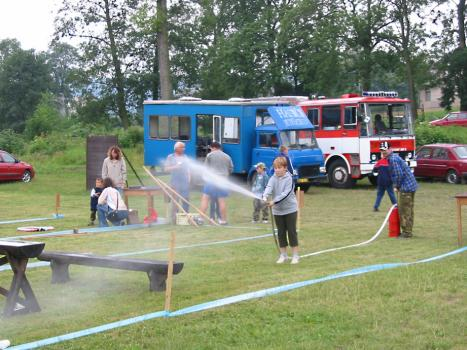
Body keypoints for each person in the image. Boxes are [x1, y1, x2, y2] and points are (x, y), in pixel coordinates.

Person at [263, 157, 299, 264]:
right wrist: (265, 196)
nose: (277, 170)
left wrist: (274, 201)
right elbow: (269, 187)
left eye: (279, 168)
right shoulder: (272, 178)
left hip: (290, 210)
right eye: (275, 168)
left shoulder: (289, 179)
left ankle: (295, 256)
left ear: (285, 168)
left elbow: (286, 194)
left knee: (292, 232)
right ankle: (283, 255)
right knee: (281, 232)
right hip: (277, 211)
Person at [383, 141, 418, 238]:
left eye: (385, 150)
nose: (383, 153)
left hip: (406, 187)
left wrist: (396, 186)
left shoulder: (393, 159)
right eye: (382, 151)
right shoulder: (394, 157)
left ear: (390, 149)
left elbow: (399, 175)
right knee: (409, 209)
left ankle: (406, 233)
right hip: (411, 185)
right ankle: (408, 231)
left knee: (404, 210)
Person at [200, 141, 233, 225]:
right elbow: (231, 169)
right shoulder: (227, 156)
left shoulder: (210, 155)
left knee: (205, 199)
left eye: (210, 148)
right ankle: (223, 220)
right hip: (222, 181)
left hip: (211, 180)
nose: (210, 150)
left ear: (213, 147)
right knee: (221, 200)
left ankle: (201, 219)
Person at [165, 142, 191, 223]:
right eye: (182, 147)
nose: (184, 149)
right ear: (176, 148)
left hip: (185, 181)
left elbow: (188, 169)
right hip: (175, 181)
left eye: (184, 147)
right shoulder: (170, 157)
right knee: (175, 200)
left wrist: (189, 177)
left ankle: (185, 218)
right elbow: (166, 169)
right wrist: (175, 167)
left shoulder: (185, 157)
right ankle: (174, 219)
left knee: (186, 200)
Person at [372, 145, 397, 212]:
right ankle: (396, 206)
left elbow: (374, 170)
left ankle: (376, 206)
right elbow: (393, 172)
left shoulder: (379, 162)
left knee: (379, 195)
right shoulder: (390, 162)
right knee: (391, 194)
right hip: (388, 181)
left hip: (380, 181)